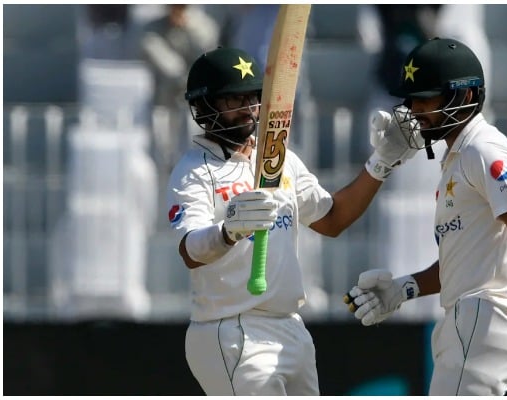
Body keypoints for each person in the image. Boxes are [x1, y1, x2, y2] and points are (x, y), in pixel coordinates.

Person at [166, 46, 422, 395]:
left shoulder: (277, 158)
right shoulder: (194, 172)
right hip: (232, 330)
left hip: (291, 329)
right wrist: (229, 231)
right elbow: (189, 250)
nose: (248, 110)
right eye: (233, 100)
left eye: (252, 98)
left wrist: (382, 160)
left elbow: (332, 219)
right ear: (204, 107)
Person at [343, 37, 507, 395]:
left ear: (464, 97)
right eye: (412, 99)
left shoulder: (483, 150)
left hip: (481, 324)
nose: (415, 110)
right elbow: (467, 259)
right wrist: (404, 288)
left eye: (426, 99)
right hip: (477, 325)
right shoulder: (458, 158)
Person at [139, 4, 219, 172]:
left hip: (196, 105)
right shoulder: (152, 29)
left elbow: (207, 53)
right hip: (163, 106)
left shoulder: (204, 26)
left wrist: (188, 27)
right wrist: (185, 77)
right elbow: (164, 61)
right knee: (162, 160)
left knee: (196, 159)